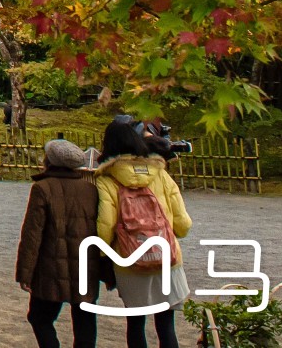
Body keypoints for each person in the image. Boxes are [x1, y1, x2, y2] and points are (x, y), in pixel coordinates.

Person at [92, 115, 192, 348]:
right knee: (166, 327)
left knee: (135, 324)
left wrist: (103, 255)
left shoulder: (107, 180)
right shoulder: (160, 173)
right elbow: (183, 225)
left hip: (131, 262)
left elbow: (105, 227)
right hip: (166, 259)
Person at [17, 138, 99, 348]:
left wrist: (25, 273)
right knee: (85, 321)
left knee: (39, 318)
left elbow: (32, 234)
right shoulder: (90, 189)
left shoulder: (42, 188)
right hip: (85, 265)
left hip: (51, 265)